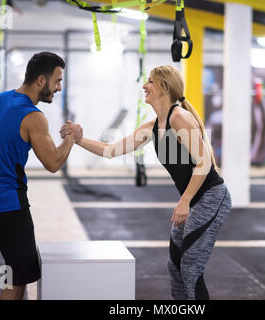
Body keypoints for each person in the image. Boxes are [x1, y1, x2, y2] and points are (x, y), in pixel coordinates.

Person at [61, 65, 232, 300]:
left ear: (164, 87)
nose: (144, 86)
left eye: (150, 81)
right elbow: (111, 150)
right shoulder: (152, 127)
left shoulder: (180, 118)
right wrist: (78, 139)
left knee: (191, 266)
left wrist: (184, 202)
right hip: (193, 200)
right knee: (175, 266)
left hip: (211, 197)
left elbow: (204, 163)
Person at [0, 52, 82, 300]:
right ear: (41, 81)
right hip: (8, 206)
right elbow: (53, 163)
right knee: (15, 275)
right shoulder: (33, 117)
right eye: (57, 81)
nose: (59, 87)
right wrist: (71, 139)